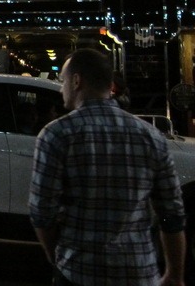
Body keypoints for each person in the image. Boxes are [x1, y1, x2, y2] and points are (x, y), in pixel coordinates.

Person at [29, 48, 186, 286]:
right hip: (139, 271)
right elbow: (171, 214)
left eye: (63, 81)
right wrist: (174, 274)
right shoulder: (151, 135)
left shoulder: (56, 134)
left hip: (79, 271)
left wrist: (57, 258)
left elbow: (42, 213)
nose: (61, 89)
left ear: (76, 81)